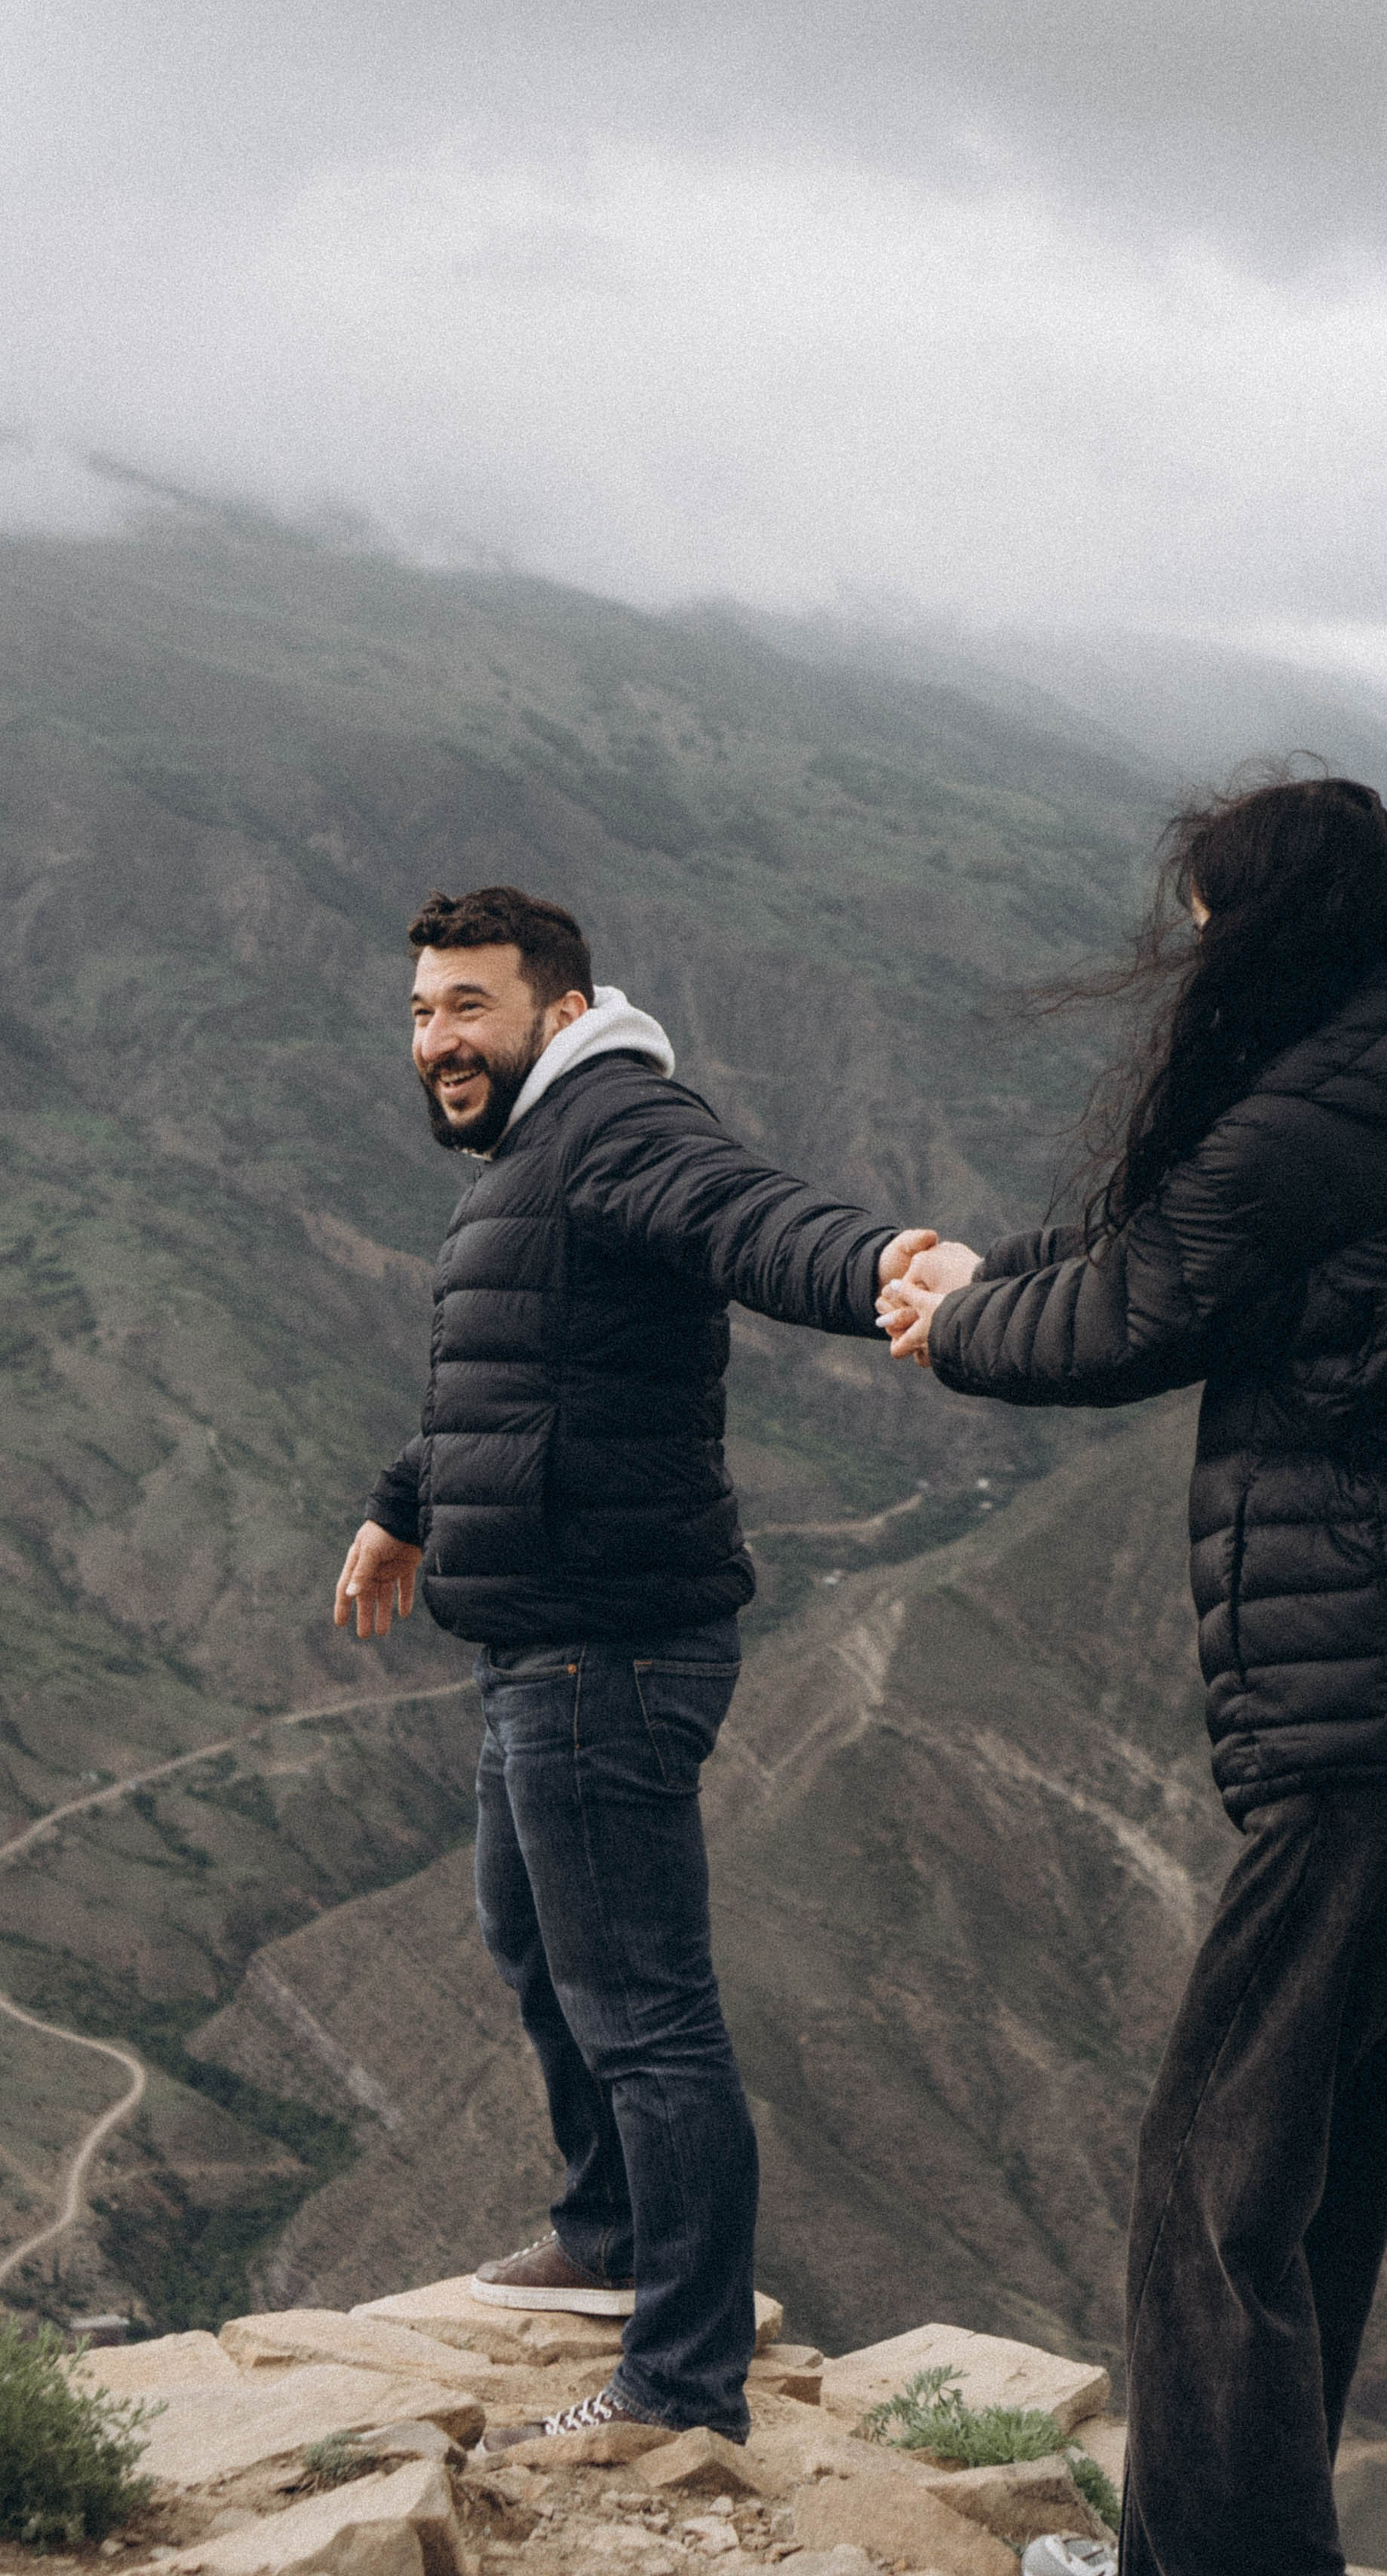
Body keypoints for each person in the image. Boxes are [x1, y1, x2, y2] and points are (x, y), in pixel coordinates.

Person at [879, 775, 1387, 2576]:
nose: (1186, 952)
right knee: (1311, 2172)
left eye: (1201, 919)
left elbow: (1129, 1318)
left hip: (1376, 1730)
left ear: (1258, 929)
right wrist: (990, 1272)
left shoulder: (1309, 1123)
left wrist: (951, 1322)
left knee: (1212, 2185)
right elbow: (1185, 1250)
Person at [333, 884, 935, 2445]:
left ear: (556, 1003)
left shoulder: (614, 1123)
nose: (437, 1039)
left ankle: (678, 2385)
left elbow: (756, 1222)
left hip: (609, 1650)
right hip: (545, 1636)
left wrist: (890, 1268)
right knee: (530, 1941)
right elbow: (513, 1365)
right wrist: (403, 1512)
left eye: (467, 1006)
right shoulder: (542, 1148)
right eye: (420, 1011)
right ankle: (606, 2239)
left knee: (644, 2014)